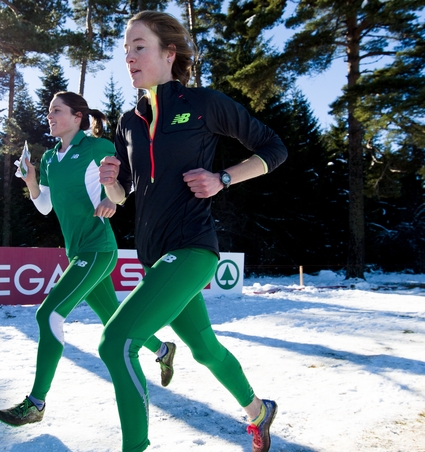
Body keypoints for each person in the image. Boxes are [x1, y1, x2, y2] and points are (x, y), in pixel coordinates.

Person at [97, 11, 288, 452]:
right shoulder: (130, 121)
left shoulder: (203, 104)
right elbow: (126, 194)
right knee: (204, 349)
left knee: (116, 343)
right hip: (155, 258)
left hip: (192, 249)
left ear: (169, 53)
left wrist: (223, 177)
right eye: (126, 50)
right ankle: (260, 411)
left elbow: (274, 148)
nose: (129, 57)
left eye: (139, 47)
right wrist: (111, 180)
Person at [0, 91, 177, 427]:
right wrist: (31, 180)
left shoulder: (96, 147)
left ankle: (35, 403)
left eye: (57, 111)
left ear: (78, 117)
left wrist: (113, 201)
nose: (50, 116)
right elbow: (45, 206)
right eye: (48, 111)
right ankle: (163, 350)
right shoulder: (49, 158)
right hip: (77, 252)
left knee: (48, 314)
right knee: (112, 317)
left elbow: (130, 177)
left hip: (97, 249)